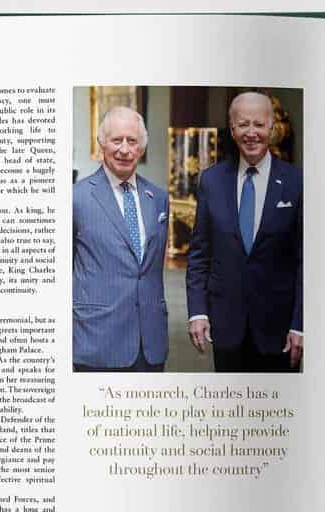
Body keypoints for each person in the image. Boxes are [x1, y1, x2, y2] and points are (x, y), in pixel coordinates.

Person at [186, 91, 303, 371]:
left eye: (259, 125)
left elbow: (306, 262)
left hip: (281, 332)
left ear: (271, 128)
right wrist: (198, 311)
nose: (251, 133)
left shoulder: (297, 182)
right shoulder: (211, 181)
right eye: (243, 124)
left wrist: (300, 324)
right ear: (232, 128)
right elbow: (199, 255)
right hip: (226, 327)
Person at [72, 106, 171, 372]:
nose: (124, 149)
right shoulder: (76, 198)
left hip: (149, 345)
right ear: (101, 143)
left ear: (142, 147)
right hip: (96, 342)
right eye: (117, 140)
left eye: (132, 141)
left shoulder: (159, 198)